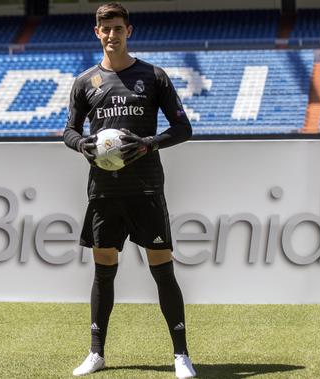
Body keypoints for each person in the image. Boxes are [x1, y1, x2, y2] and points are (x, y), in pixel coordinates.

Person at [63, 2, 196, 378]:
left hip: (146, 189)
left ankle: (181, 355)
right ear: (97, 33)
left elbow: (183, 129)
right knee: (103, 272)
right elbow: (68, 131)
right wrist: (82, 145)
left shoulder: (153, 76)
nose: (111, 35)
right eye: (105, 30)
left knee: (163, 271)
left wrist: (149, 144)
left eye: (118, 29)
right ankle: (96, 353)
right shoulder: (84, 83)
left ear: (128, 31)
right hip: (104, 192)